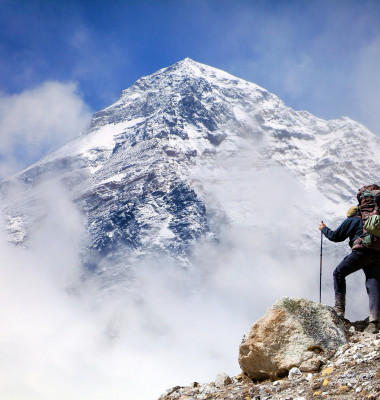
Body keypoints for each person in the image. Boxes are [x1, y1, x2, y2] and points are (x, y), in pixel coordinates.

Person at [319, 206, 380, 334]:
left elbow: (336, 236)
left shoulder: (352, 220)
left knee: (339, 273)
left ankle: (339, 309)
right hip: (377, 254)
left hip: (361, 253)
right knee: (373, 283)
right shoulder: (372, 221)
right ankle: (374, 322)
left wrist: (323, 229)